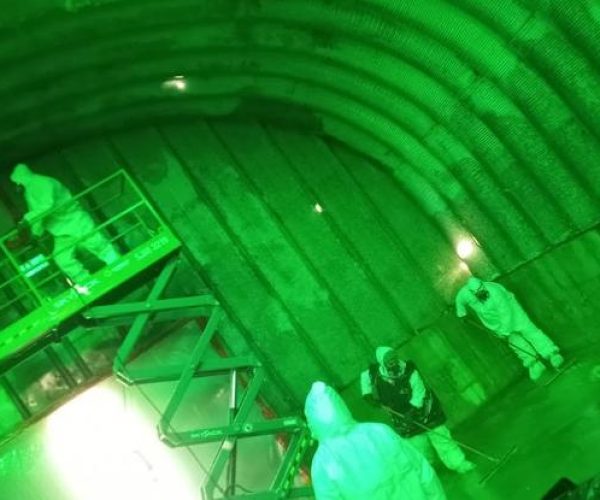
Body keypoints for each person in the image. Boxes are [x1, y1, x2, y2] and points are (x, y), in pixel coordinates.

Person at [305, 380, 446, 500]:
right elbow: (421, 468)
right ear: (341, 406)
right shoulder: (378, 431)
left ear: (313, 422)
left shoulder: (322, 463)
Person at [360, 347, 475, 474]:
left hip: (425, 411)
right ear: (382, 362)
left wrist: (411, 412)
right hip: (400, 416)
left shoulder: (409, 371)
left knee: (441, 437)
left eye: (394, 358)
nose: (393, 361)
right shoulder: (375, 373)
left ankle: (459, 464)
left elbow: (419, 394)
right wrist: (367, 395)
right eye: (389, 360)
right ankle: (429, 471)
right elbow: (364, 377)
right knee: (419, 446)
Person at [10, 163, 120, 285]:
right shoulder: (29, 191)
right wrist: (36, 235)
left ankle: (120, 266)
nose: (16, 187)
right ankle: (87, 282)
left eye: (16, 183)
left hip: (75, 221)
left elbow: (46, 205)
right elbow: (40, 216)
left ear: (20, 179)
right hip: (61, 231)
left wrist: (26, 220)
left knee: (99, 245)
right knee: (63, 259)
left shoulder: (41, 182)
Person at [455, 276, 564, 381]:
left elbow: (506, 313)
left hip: (514, 313)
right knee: (515, 343)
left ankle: (553, 355)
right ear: (472, 292)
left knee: (531, 332)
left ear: (483, 286)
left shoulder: (495, 292)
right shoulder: (465, 293)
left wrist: (504, 332)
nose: (481, 294)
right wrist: (462, 314)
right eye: (478, 294)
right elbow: (459, 300)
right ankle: (534, 364)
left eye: (482, 291)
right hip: (495, 323)